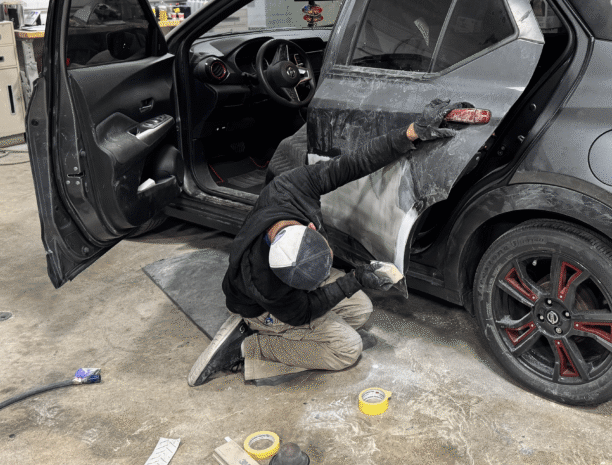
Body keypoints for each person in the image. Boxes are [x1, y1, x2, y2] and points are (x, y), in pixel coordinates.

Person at [188, 98, 466, 386]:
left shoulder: (290, 188)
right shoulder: (267, 283)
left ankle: (291, 335)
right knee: (346, 349)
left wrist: (411, 133)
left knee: (361, 311)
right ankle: (250, 346)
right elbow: (305, 309)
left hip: (284, 297)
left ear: (309, 227)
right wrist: (354, 279)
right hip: (266, 309)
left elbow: (355, 163)